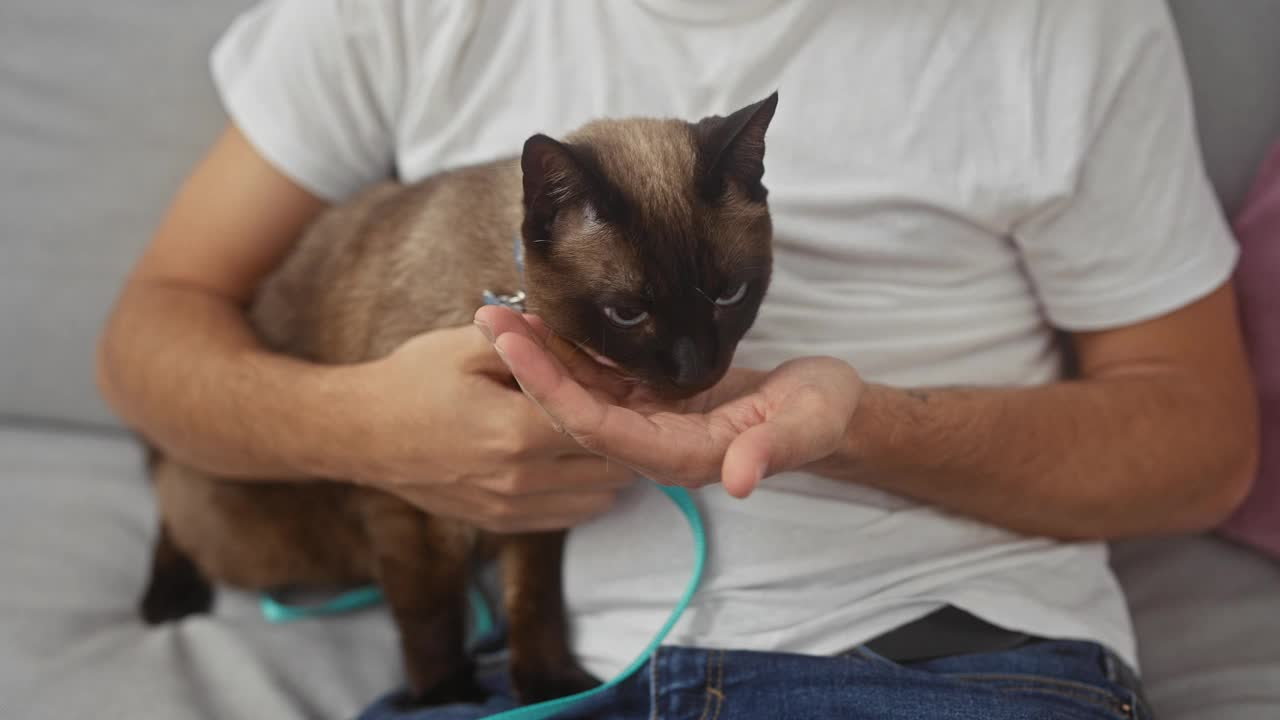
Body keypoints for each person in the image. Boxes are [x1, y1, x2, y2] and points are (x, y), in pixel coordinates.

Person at [96, 1, 1258, 718]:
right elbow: (150, 335)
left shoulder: (1061, 19)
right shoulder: (399, 14)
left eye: (727, 302)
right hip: (527, 685)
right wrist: (371, 434)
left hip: (926, 667)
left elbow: (1200, 452)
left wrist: (862, 430)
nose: (699, 362)